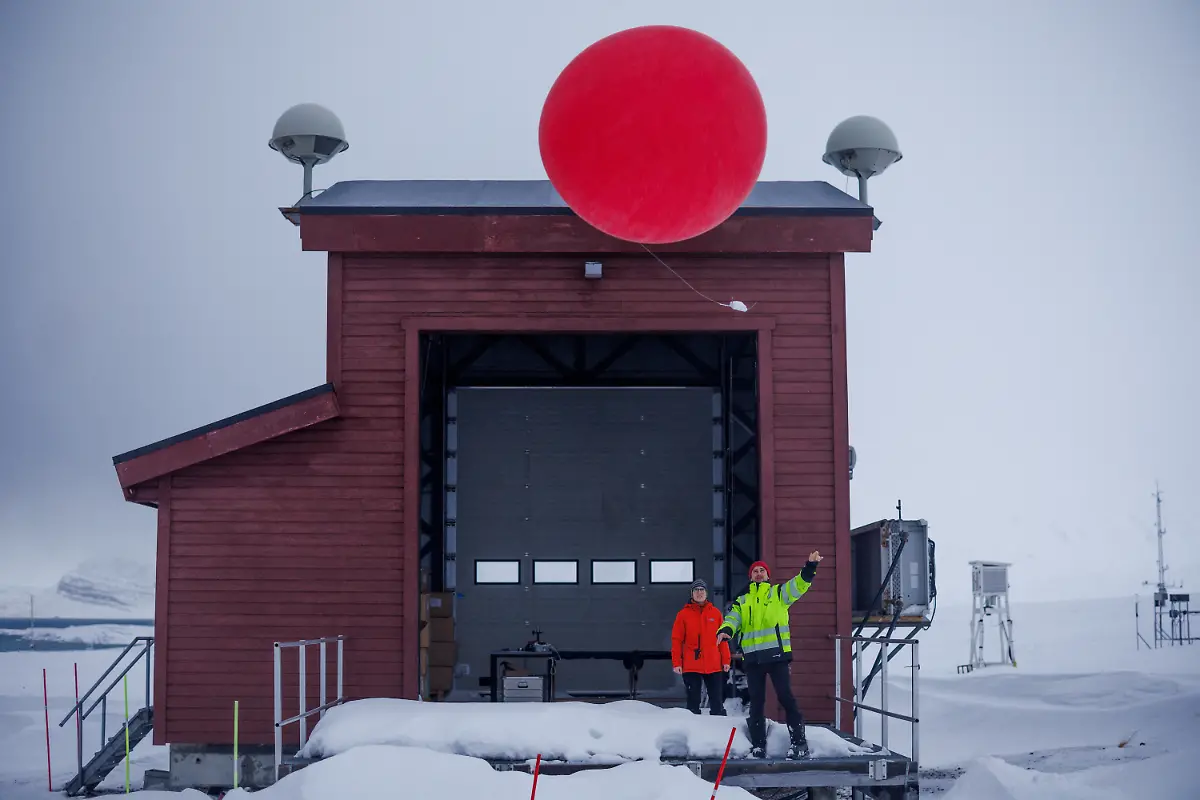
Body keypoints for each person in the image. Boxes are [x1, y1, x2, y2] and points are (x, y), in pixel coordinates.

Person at [716, 552, 822, 759]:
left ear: (767, 575)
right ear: (750, 576)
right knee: (756, 702)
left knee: (786, 698)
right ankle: (758, 746)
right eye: (754, 571)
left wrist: (809, 566)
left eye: (761, 570)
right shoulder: (743, 601)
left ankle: (799, 744)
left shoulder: (779, 594)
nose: (758, 573)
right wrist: (726, 630)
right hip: (753, 659)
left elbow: (799, 584)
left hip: (776, 656)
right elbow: (732, 618)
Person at [670, 579, 730, 716]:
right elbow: (676, 640)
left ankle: (718, 729)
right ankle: (694, 730)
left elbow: (723, 640)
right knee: (693, 702)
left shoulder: (715, 613)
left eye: (702, 590)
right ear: (692, 594)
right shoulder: (683, 615)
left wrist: (726, 660)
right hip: (691, 664)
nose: (699, 593)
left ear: (706, 593)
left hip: (714, 664)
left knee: (717, 701)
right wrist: (676, 662)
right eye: (696, 590)